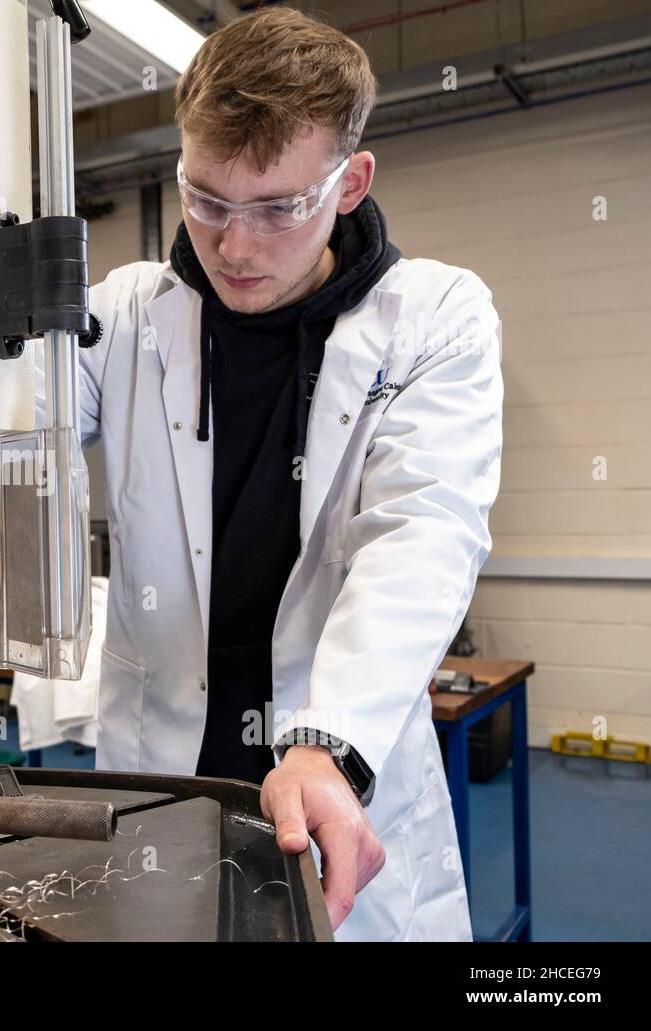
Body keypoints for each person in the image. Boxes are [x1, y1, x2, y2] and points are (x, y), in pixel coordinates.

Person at [58, 6, 503, 940]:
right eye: (206, 199)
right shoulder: (128, 316)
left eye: (278, 206)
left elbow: (422, 529)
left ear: (351, 183)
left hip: (331, 790)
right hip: (159, 792)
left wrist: (324, 744)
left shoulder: (434, 317)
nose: (235, 244)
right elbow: (8, 431)